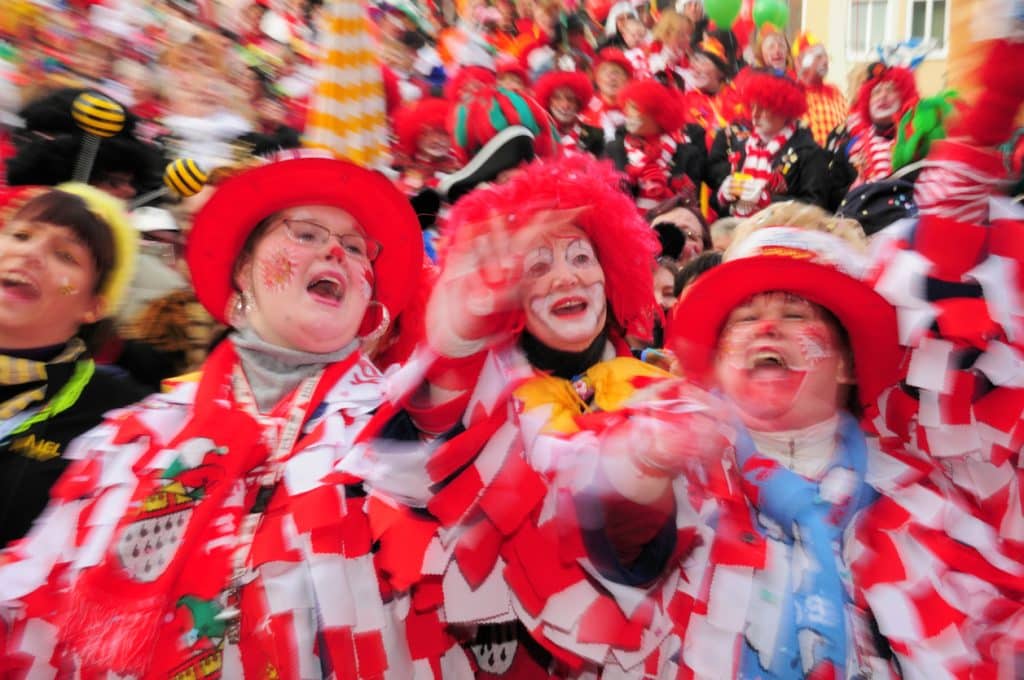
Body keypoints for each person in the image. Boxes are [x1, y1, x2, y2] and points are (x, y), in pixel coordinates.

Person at [0, 153, 466, 678]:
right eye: (306, 234)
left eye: (355, 248)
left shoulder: (406, 436)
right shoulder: (137, 434)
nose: (336, 251)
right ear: (243, 271)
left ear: (368, 298)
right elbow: (29, 602)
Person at [360, 153, 708, 677]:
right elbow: (401, 462)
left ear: (612, 274)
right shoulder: (482, 393)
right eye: (538, 265)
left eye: (581, 258)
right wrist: (453, 343)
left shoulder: (668, 395)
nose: (566, 278)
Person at [0, 183, 149, 547]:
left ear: (94, 307)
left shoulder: (119, 416)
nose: (31, 254)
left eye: (66, 256)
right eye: (20, 235)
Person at [709, 68, 828, 216]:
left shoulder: (809, 152)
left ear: (784, 109)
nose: (755, 115)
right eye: (752, 106)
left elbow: (816, 207)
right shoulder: (742, 147)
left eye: (763, 108)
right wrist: (723, 195)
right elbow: (718, 205)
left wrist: (767, 200)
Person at [605, 78, 706, 211]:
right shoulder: (614, 148)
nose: (627, 114)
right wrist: (631, 180)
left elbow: (692, 203)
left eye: (634, 108)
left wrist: (673, 187)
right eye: (626, 107)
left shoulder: (687, 154)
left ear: (657, 115)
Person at [793, 33, 846, 148]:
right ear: (800, 62)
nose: (825, 61)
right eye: (818, 56)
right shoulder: (791, 95)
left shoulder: (836, 94)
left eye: (826, 56)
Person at [533, 69, 603, 156]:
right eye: (557, 98)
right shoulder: (537, 133)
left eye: (570, 99)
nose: (565, 105)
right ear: (548, 101)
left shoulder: (595, 135)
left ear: (579, 103)